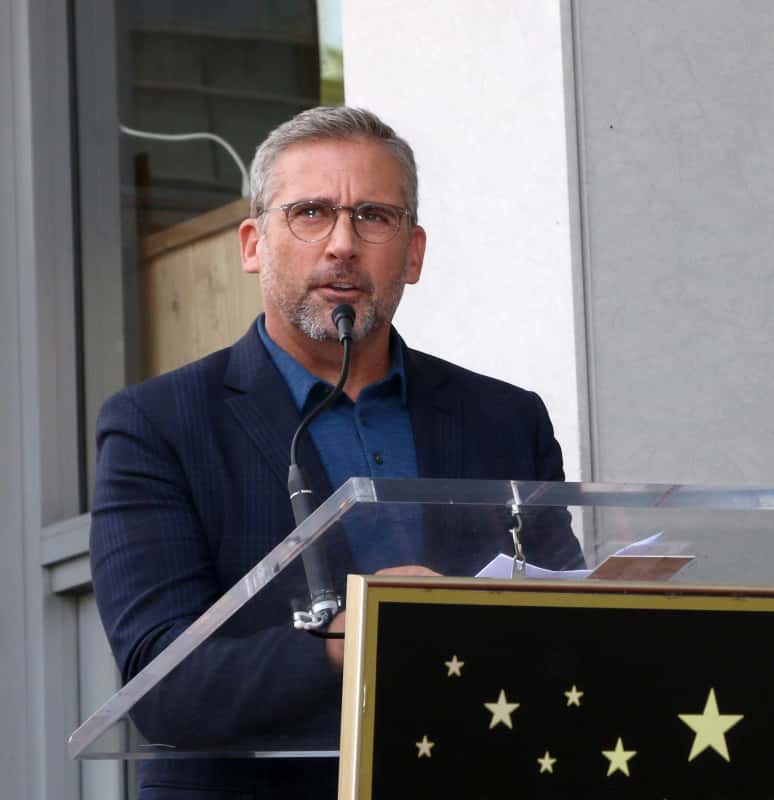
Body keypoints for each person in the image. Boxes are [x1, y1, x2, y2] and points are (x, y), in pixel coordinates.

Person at [89, 106, 583, 799]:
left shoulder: (505, 418)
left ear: (412, 253)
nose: (343, 244)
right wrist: (349, 636)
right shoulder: (158, 425)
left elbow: (562, 637)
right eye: (312, 213)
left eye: (374, 217)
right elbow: (162, 684)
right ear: (253, 244)